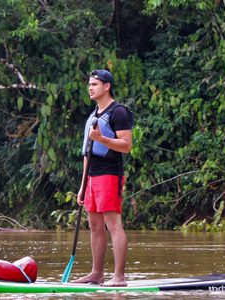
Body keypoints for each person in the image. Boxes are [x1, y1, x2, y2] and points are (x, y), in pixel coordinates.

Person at [73, 69, 133, 287]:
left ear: (107, 86)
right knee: (96, 226)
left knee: (113, 224)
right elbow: (87, 153)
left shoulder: (119, 113)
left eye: (95, 84)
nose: (90, 88)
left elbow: (126, 145)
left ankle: (119, 277)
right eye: (89, 84)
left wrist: (102, 138)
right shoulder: (93, 116)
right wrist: (82, 186)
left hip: (110, 174)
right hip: (91, 177)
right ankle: (96, 274)